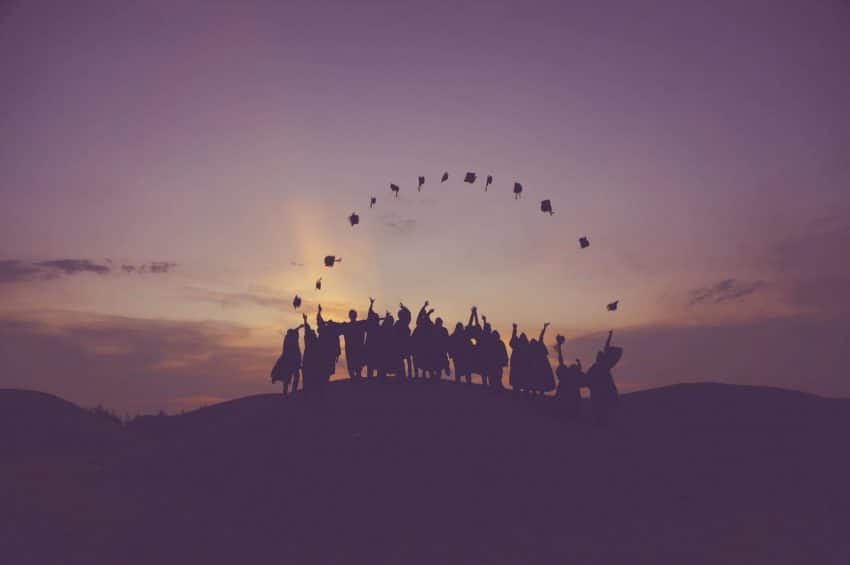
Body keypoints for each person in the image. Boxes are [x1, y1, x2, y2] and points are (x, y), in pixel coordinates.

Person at [586, 330, 622, 424]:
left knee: (604, 407)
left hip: (604, 389)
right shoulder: (601, 366)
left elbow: (606, 348)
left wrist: (609, 336)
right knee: (601, 407)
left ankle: (603, 421)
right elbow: (588, 379)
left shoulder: (602, 365)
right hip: (600, 390)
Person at [341, 299, 372, 381]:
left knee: (354, 365)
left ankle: (355, 378)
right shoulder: (359, 325)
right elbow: (370, 321)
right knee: (356, 365)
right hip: (356, 348)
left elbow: (369, 321)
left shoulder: (348, 326)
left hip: (353, 349)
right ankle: (356, 377)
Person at [554, 334, 582, 419]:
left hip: (565, 393)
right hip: (568, 394)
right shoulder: (571, 376)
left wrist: (559, 347)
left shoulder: (566, 374)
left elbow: (560, 360)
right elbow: (561, 359)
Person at [270, 324, 303, 396]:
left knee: (294, 376)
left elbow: (295, 330)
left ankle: (292, 391)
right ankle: (286, 392)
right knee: (288, 376)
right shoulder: (288, 339)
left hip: (294, 360)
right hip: (289, 360)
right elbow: (294, 331)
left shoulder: (291, 337)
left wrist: (299, 327)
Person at [527, 322, 555, 396]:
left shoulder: (535, 348)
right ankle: (536, 394)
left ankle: (537, 394)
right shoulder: (534, 350)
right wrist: (544, 328)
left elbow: (541, 337)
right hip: (539, 366)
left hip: (541, 366)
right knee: (537, 381)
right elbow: (541, 337)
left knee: (539, 381)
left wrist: (544, 328)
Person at [509, 323, 530, 394]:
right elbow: (513, 338)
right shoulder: (517, 344)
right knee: (516, 382)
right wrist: (514, 329)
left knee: (523, 381)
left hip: (523, 366)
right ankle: (517, 392)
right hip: (517, 365)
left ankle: (521, 392)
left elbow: (513, 338)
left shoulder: (526, 346)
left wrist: (514, 329)